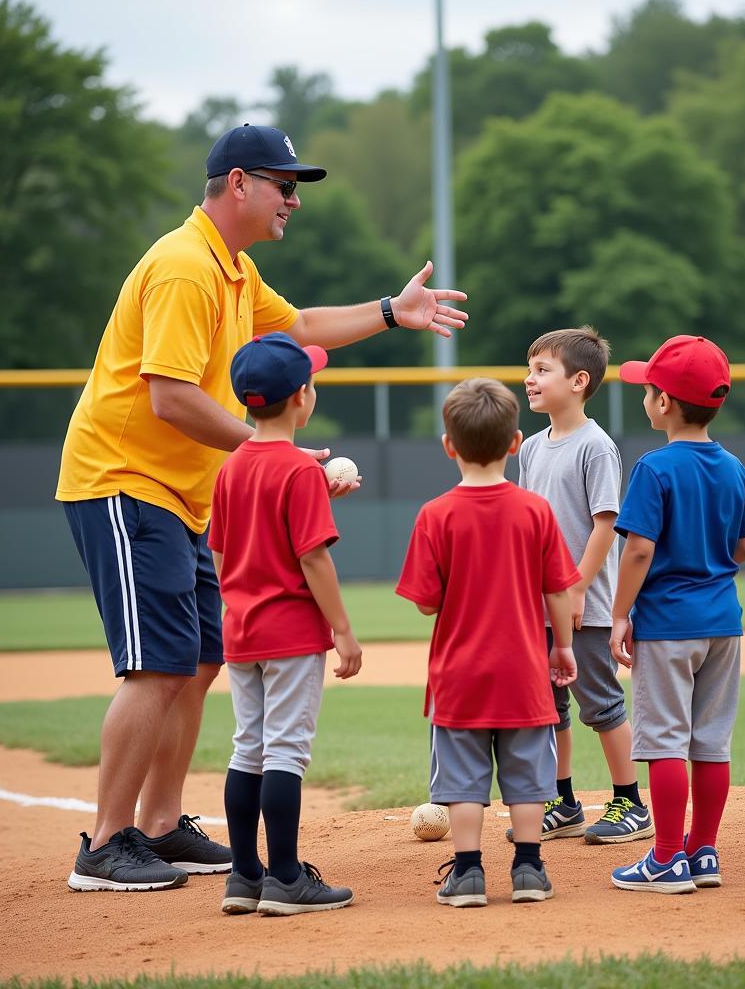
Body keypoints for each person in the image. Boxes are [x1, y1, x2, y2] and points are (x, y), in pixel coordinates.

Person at [58, 122, 467, 891]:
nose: (294, 201)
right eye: (285, 185)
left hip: (182, 493)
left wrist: (390, 310)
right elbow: (173, 398)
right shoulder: (185, 268)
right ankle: (106, 845)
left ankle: (159, 824)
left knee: (203, 655)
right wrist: (269, 452)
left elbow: (304, 327)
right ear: (238, 183)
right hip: (123, 480)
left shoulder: (232, 271)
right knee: (153, 667)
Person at [395, 378, 580, 907]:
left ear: (449, 446)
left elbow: (427, 602)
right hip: (523, 671)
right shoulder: (536, 511)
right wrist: (562, 647)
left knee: (462, 779)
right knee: (526, 777)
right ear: (516, 442)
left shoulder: (435, 514)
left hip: (459, 674)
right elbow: (557, 590)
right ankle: (528, 870)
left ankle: (470, 874)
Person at [210, 332, 360, 916]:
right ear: (302, 397)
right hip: (293, 632)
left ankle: (244, 876)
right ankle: (288, 877)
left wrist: (243, 598)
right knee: (287, 753)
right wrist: (342, 630)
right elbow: (312, 557)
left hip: (242, 629)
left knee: (248, 746)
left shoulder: (231, 467)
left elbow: (222, 553)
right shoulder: (299, 471)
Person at [608, 336, 745, 894]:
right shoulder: (733, 466)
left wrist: (620, 613)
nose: (644, 398)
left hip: (668, 624)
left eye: (648, 390)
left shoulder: (655, 466)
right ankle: (704, 852)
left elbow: (640, 549)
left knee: (665, 740)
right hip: (723, 622)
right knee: (710, 742)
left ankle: (667, 858)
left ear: (665, 402)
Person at [518, 327, 651, 844]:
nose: (529, 380)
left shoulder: (595, 446)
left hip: (584, 603)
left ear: (578, 381)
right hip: (539, 601)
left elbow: (604, 523)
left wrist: (574, 588)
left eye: (542, 370)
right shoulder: (531, 448)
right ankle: (564, 800)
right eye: (529, 370)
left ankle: (629, 801)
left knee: (599, 702)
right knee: (550, 707)